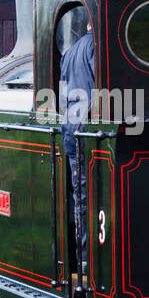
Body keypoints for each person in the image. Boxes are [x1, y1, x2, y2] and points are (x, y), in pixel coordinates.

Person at [61, 21, 94, 279]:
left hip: (71, 126)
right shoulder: (96, 47)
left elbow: (63, 93)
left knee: (80, 197)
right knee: (91, 197)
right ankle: (89, 265)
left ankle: (83, 262)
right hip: (87, 129)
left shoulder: (70, 52)